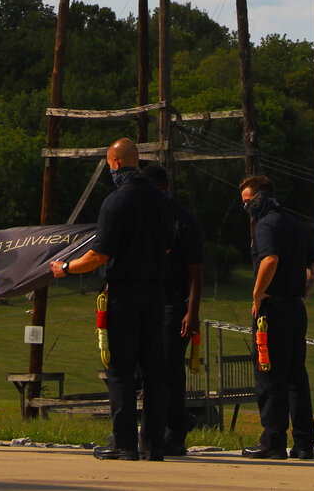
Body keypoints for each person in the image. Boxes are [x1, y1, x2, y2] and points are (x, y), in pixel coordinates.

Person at [49, 137, 173, 461]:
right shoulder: (161, 201)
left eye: (109, 164)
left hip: (125, 293)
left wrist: (66, 267)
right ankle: (154, 444)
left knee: (120, 369)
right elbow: (170, 245)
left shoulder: (116, 202)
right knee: (153, 371)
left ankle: (124, 442)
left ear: (115, 163)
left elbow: (99, 254)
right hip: (155, 291)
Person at [239, 173, 314, 461]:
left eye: (248, 201)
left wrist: (258, 293)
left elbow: (270, 259)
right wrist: (305, 291)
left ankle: (272, 440)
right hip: (296, 309)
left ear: (260, 199)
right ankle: (304, 442)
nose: (245, 207)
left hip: (273, 310)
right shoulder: (294, 224)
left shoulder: (265, 225)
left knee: (269, 373)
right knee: (296, 375)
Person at [144, 162, 202, 457]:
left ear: (162, 188)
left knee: (168, 367)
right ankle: (176, 420)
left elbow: (194, 270)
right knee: (147, 367)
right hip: (145, 298)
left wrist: (192, 311)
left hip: (173, 301)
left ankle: (174, 432)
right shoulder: (141, 218)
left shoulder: (183, 221)